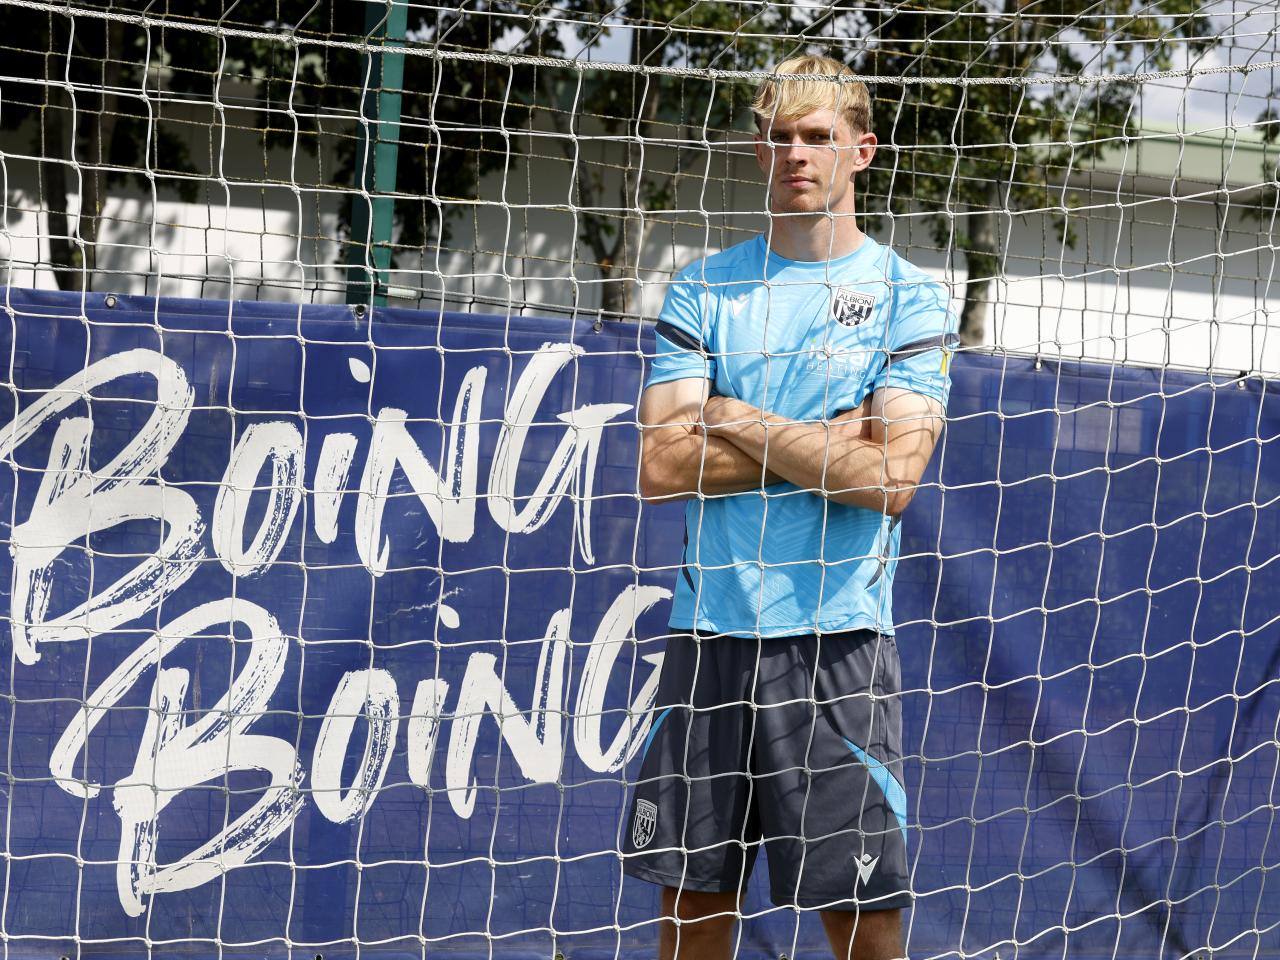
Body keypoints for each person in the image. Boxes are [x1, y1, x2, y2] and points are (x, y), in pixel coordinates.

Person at [622, 54, 958, 960]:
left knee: (865, 929)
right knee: (693, 916)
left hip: (838, 639)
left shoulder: (909, 295)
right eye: (778, 139)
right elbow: (659, 464)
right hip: (711, 638)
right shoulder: (704, 287)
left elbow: (891, 481)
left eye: (816, 137)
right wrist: (824, 443)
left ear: (862, 151)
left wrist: (734, 419)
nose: (794, 155)